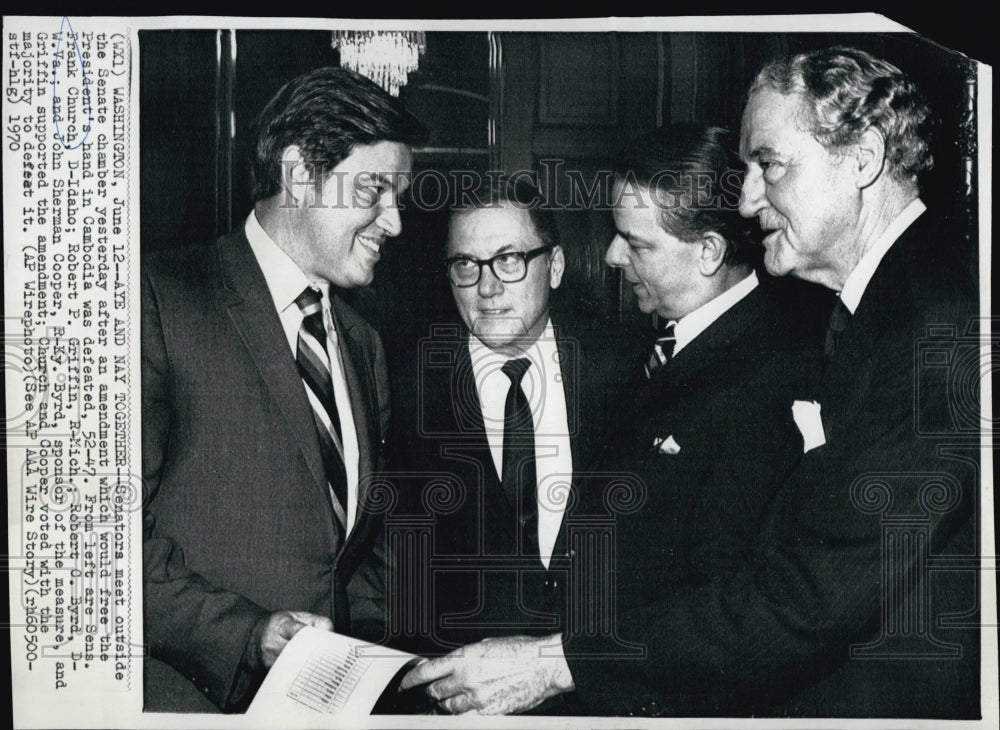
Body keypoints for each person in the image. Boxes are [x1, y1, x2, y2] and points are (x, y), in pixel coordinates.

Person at [566, 47, 977, 716]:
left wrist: (564, 662)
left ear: (864, 159)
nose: (748, 197)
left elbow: (814, 595)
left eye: (770, 165)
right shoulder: (881, 307)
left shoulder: (938, 324)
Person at [400, 123, 823, 714]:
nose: (612, 256)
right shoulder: (668, 353)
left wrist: (559, 665)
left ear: (709, 251)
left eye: (636, 242)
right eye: (466, 266)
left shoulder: (770, 374)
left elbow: (744, 611)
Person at [141, 66, 427, 712]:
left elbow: (362, 550)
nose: (397, 222)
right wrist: (249, 637)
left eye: (400, 196)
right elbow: (105, 541)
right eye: (377, 190)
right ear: (299, 175)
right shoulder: (159, 299)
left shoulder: (365, 345)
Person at [388, 175, 632, 713]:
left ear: (558, 266)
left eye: (509, 260)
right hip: (462, 704)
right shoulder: (407, 387)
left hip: (597, 700)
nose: (487, 288)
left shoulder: (624, 369)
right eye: (465, 266)